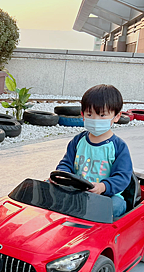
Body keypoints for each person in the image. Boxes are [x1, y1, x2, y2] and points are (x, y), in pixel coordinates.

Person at [55, 84, 133, 218]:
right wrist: (62, 175)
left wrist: (103, 186)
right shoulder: (78, 141)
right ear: (83, 115)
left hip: (106, 196)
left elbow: (122, 177)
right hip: (78, 191)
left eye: (102, 115)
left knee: (117, 205)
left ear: (116, 116)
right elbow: (66, 163)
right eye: (90, 114)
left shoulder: (119, 147)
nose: (95, 120)